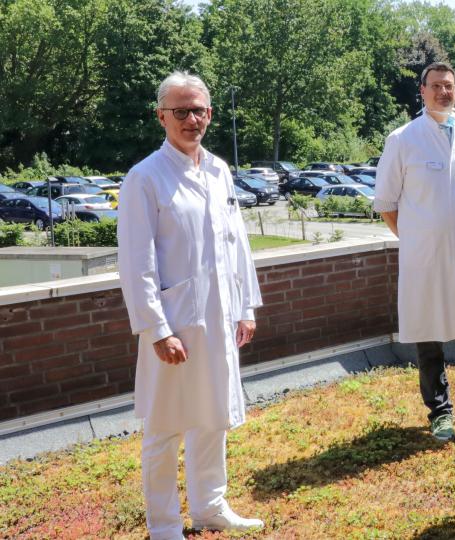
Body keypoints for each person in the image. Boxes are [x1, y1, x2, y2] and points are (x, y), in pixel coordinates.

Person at [118, 71, 264, 540]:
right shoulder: (145, 178)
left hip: (220, 318)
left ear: (210, 114)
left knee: (212, 414)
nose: (190, 119)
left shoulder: (220, 169)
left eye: (198, 109)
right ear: (160, 116)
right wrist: (157, 329)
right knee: (164, 429)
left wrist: (247, 307)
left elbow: (236, 244)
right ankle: (163, 526)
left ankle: (210, 506)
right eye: (179, 111)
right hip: (175, 321)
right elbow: (135, 263)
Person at [374, 62, 455, 442]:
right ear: (423, 91)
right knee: (427, 336)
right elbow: (386, 203)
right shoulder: (403, 138)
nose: (443, 92)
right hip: (423, 259)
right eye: (436, 86)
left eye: (450, 86)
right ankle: (440, 412)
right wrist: (418, 236)